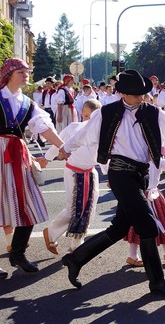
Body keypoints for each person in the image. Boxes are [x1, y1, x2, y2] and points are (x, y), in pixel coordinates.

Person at [58, 69, 165, 296]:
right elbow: (84, 133)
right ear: (123, 93)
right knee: (147, 225)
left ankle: (75, 259)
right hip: (120, 173)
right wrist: (65, 149)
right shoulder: (106, 113)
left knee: (119, 227)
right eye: (135, 94)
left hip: (141, 174)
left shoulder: (153, 113)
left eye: (143, 93)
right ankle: (156, 280)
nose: (141, 97)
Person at [0, 58, 64, 277]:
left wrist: (62, 147)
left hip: (18, 155)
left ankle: (17, 253)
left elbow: (43, 127)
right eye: (22, 71)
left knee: (29, 202)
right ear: (9, 73)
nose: (26, 74)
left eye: (28, 71)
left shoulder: (28, 103)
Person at [39, 99, 103, 255]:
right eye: (87, 115)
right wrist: (47, 159)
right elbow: (58, 145)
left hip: (90, 171)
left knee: (89, 208)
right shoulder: (74, 127)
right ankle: (52, 232)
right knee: (73, 208)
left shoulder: (100, 132)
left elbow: (104, 155)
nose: (89, 119)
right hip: (73, 171)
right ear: (82, 113)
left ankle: (76, 243)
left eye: (93, 117)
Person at [124, 157, 165, 266]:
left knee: (163, 222)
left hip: (154, 195)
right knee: (137, 226)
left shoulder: (156, 159)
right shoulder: (137, 157)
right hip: (141, 195)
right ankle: (133, 256)